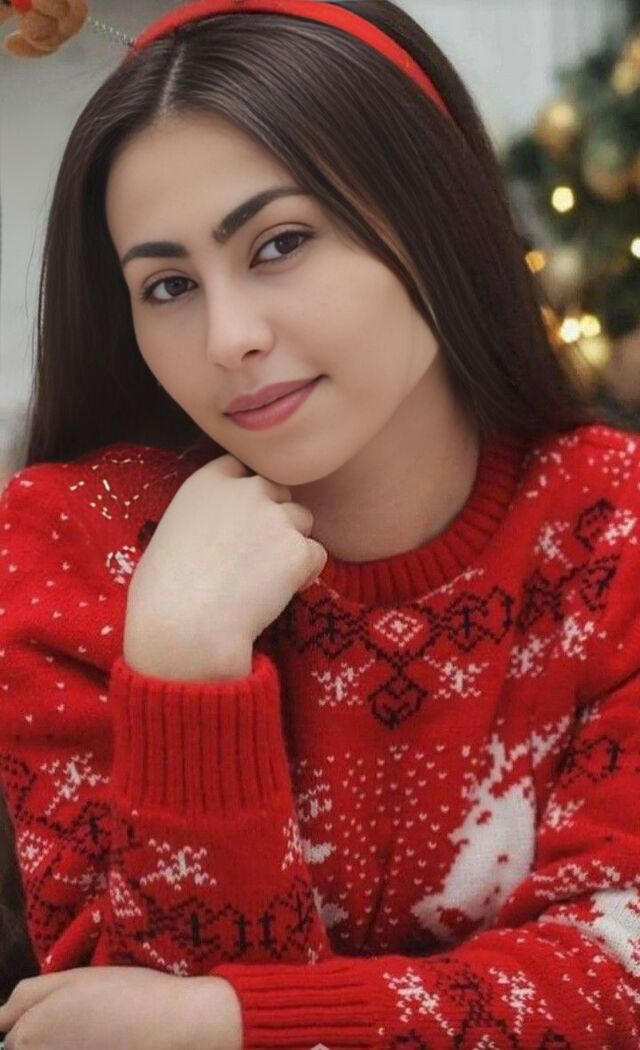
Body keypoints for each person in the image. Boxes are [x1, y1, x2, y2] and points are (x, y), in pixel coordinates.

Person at [0, 0, 639, 1045]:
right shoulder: (75, 545)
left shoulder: (614, 532)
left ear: (434, 213)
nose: (228, 337)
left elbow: (618, 975)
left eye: (280, 242)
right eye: (167, 285)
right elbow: (101, 1022)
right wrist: (184, 671)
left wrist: (234, 1023)